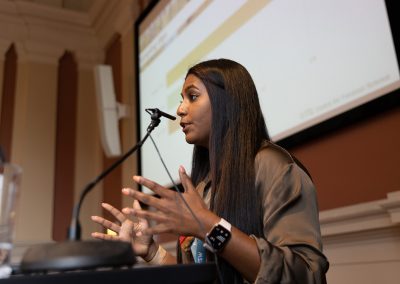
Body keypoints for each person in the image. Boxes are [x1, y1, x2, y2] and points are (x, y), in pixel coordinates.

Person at [91, 59, 329, 283]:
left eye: (192, 97)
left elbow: (307, 274)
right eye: (182, 98)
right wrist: (152, 252)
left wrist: (210, 227)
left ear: (228, 102)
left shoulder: (273, 166)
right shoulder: (203, 186)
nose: (180, 109)